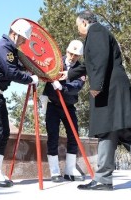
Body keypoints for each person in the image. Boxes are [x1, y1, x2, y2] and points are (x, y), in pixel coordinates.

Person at [59, 10, 131, 192]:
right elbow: (89, 64)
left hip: (109, 90)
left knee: (107, 130)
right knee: (123, 132)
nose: (78, 29)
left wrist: (96, 86)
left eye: (77, 25)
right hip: (115, 89)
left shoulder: (96, 32)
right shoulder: (99, 34)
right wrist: (68, 74)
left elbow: (99, 61)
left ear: (84, 22)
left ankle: (103, 180)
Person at [0, 19, 39, 188]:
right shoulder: (3, 47)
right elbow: (11, 72)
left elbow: (17, 67)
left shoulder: (11, 50)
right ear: (14, 34)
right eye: (23, 38)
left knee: (4, 132)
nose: (24, 41)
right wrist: (30, 79)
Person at [40, 40, 85, 182]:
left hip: (68, 105)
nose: (72, 57)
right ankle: (54, 171)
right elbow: (42, 70)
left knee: (74, 135)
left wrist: (64, 88)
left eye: (76, 55)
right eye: (71, 53)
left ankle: (70, 169)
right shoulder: (55, 62)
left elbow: (78, 85)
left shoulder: (80, 68)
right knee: (52, 135)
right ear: (66, 51)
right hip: (53, 105)